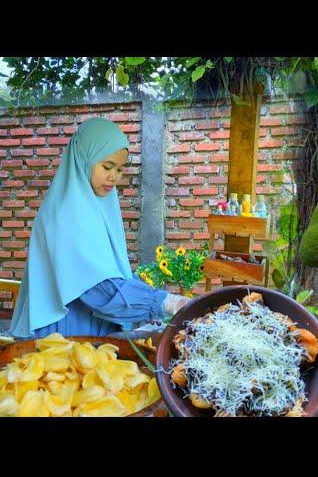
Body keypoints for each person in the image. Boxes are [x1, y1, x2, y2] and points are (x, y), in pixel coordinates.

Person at [9, 118, 189, 338]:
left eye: (120, 169)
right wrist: (163, 302)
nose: (114, 176)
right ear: (85, 158)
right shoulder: (66, 214)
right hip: (65, 332)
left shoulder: (95, 207)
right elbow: (96, 288)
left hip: (89, 326)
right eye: (107, 166)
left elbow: (105, 272)